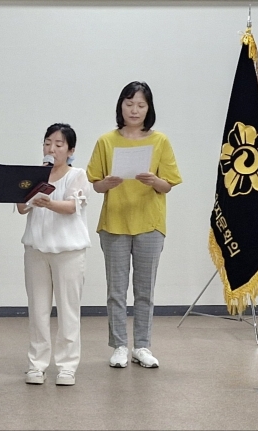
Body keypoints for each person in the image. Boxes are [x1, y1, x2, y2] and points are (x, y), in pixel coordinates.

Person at [86, 81, 182, 370]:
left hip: (149, 223)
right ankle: (119, 345)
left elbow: (168, 185)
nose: (134, 110)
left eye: (141, 105)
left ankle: (142, 345)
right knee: (116, 290)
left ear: (149, 109)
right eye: (129, 104)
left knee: (145, 290)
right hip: (115, 222)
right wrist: (107, 183)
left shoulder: (160, 141)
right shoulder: (106, 141)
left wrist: (155, 181)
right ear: (121, 106)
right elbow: (95, 185)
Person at [17, 123, 91, 386]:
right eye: (48, 143)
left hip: (68, 252)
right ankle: (36, 364)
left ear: (70, 150)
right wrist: (31, 193)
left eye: (59, 144)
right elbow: (21, 208)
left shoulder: (77, 175)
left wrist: (48, 202)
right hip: (36, 250)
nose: (52, 148)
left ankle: (67, 366)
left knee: (68, 311)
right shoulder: (34, 175)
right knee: (37, 310)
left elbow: (72, 207)